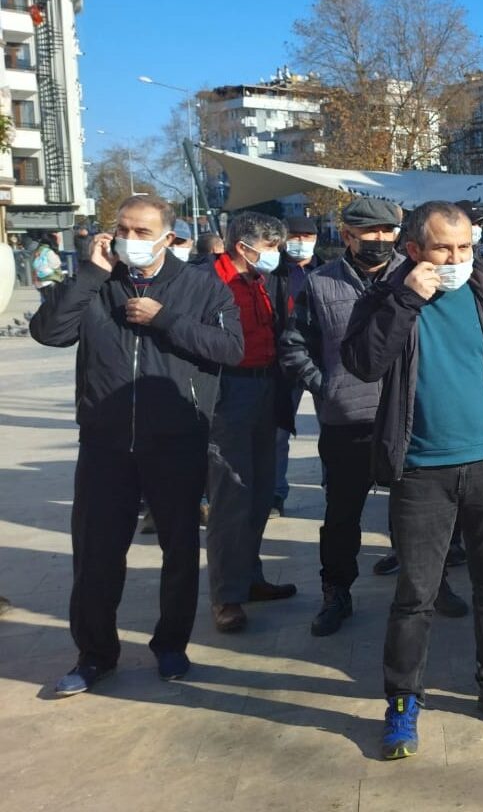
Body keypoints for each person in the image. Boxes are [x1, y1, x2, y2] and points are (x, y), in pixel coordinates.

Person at [342, 200, 483, 760]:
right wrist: (407, 300)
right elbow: (363, 362)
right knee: (416, 595)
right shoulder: (385, 297)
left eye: (464, 248)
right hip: (420, 472)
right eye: (442, 249)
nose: (456, 260)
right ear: (414, 250)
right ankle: (403, 702)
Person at [30, 194, 243, 694]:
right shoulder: (97, 283)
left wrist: (165, 319)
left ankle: (171, 645)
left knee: (179, 549)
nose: (129, 239)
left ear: (168, 237)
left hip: (176, 440)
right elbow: (50, 332)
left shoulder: (201, 287)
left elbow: (231, 349)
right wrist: (90, 274)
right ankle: (95, 655)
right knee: (96, 553)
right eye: (122, 229)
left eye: (143, 232)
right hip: (105, 443)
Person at [279, 197, 469, 636]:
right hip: (349, 422)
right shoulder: (320, 284)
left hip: (412, 417)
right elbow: (294, 346)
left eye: (388, 231)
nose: (380, 239)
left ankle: (434, 584)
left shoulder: (420, 276)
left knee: (420, 514)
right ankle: (336, 592)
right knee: (342, 515)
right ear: (347, 235)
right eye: (370, 232)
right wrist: (326, 386)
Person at [205, 212, 299, 634]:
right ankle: (226, 597)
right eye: (271, 247)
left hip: (267, 389)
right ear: (243, 247)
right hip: (228, 394)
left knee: (260, 492)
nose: (277, 254)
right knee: (231, 496)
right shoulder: (207, 281)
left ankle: (250, 577)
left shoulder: (265, 281)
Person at [274, 216, 321, 517]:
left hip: (320, 360)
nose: (301, 241)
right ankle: (275, 494)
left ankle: (333, 484)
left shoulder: (328, 270)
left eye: (307, 236)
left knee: (333, 430)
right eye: (295, 235)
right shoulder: (272, 271)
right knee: (278, 433)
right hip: (283, 361)